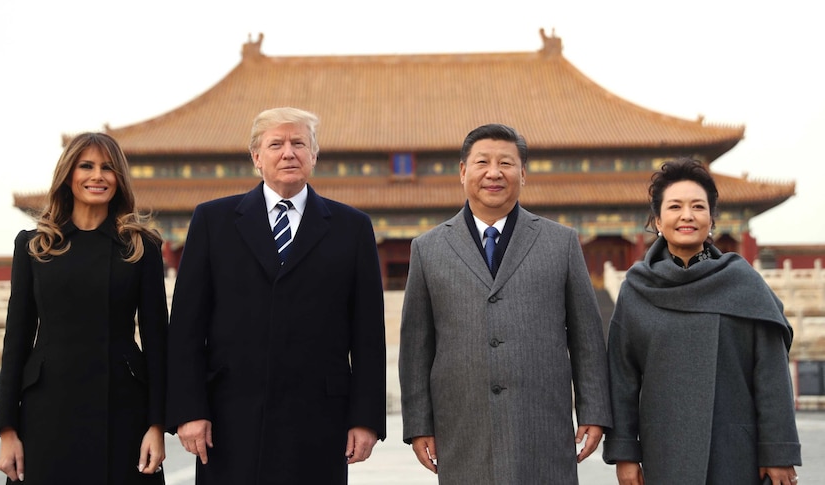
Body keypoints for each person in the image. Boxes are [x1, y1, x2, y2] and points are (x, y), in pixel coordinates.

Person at [166, 107, 387, 484]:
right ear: (256, 157)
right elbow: (186, 327)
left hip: (318, 418)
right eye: (276, 144)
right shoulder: (213, 221)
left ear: (314, 155)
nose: (289, 153)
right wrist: (189, 410)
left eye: (299, 143)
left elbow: (368, 334)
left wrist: (365, 419)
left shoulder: (352, 227)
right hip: (229, 417)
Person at [398, 123, 612, 483]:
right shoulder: (428, 248)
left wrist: (593, 411)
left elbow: (586, 338)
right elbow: (416, 346)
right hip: (464, 427)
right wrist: (419, 424)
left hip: (542, 423)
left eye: (507, 164)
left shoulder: (560, 243)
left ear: (523, 173)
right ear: (463, 171)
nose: (494, 173)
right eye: (482, 162)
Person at [602, 158, 801, 484]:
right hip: (664, 451)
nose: (687, 215)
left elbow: (772, 375)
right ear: (657, 219)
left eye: (698, 206)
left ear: (711, 219)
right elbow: (622, 380)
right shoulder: (637, 289)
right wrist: (625, 454)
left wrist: (778, 452)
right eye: (675, 206)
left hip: (737, 451)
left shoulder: (743, 283)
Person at [0, 132, 168, 484]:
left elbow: (157, 342)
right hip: (47, 412)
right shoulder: (34, 246)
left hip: (123, 412)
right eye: (86, 166)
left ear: (119, 178)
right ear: (68, 175)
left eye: (108, 168)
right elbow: (16, 341)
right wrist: (8, 429)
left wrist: (157, 425)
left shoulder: (140, 247)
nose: (97, 176)